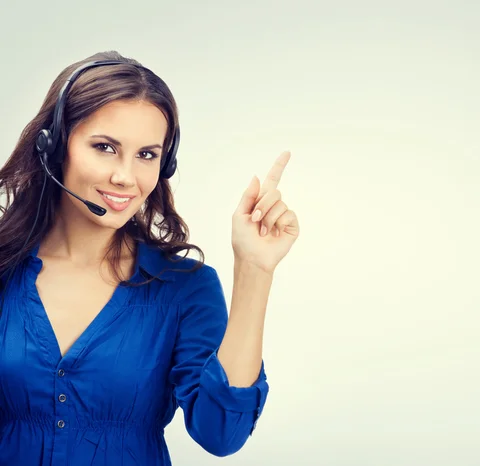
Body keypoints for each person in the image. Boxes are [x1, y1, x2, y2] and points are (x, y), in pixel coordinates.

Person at [0, 50, 299, 465]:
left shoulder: (183, 287)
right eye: (105, 147)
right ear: (53, 146)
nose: (125, 176)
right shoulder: (4, 271)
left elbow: (221, 434)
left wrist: (255, 269)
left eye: (146, 155)